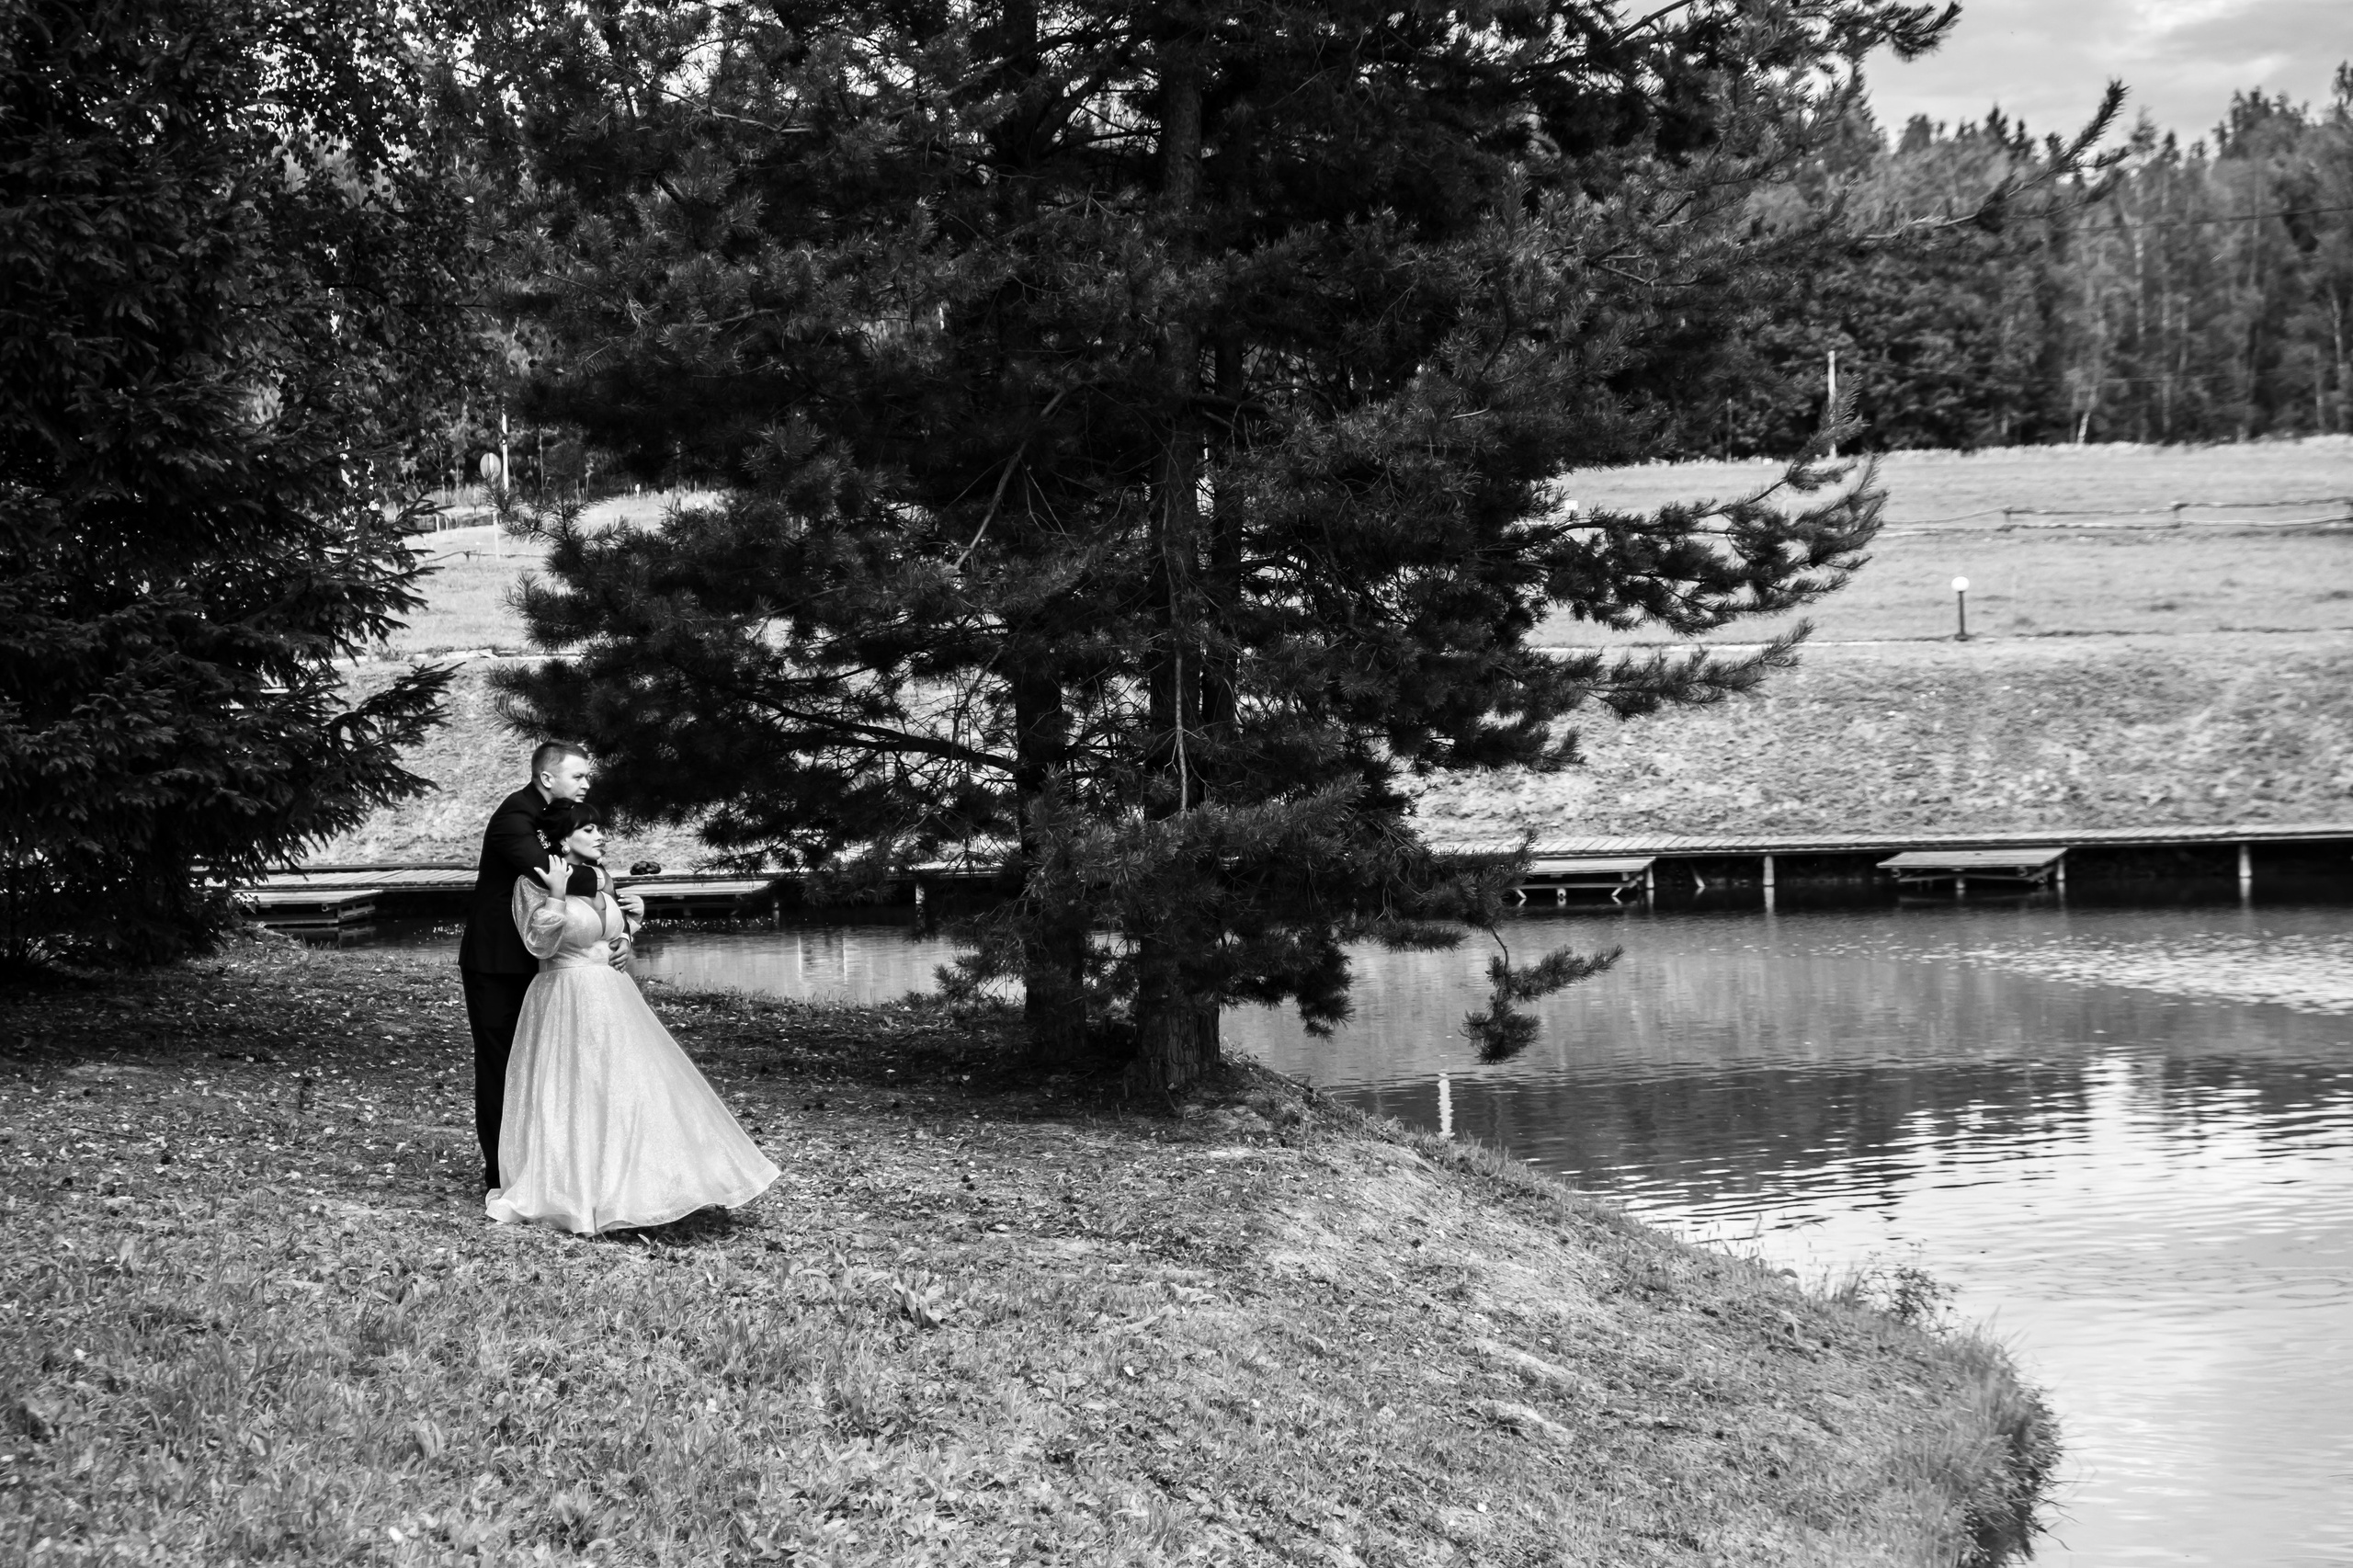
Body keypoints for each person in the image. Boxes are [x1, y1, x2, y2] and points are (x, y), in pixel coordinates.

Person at [485, 800, 779, 1233]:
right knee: (574, 1090)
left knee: (630, 1084)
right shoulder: (534, 882)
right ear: (563, 839)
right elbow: (539, 944)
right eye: (589, 829)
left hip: (613, 995)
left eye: (599, 828)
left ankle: (645, 1184)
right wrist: (558, 895)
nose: (600, 836)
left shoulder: (602, 878)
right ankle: (576, 1190)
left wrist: (628, 931)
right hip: (565, 996)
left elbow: (606, 936)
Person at [458, 743, 643, 1190]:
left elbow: (582, 885)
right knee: (502, 1066)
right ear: (547, 778)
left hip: (551, 964)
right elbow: (552, 875)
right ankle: (501, 1175)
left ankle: (553, 1165)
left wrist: (624, 930)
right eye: (578, 776)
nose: (587, 784)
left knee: (549, 1066)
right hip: (500, 962)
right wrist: (605, 879)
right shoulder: (514, 817)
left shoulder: (554, 817)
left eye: (587, 776)